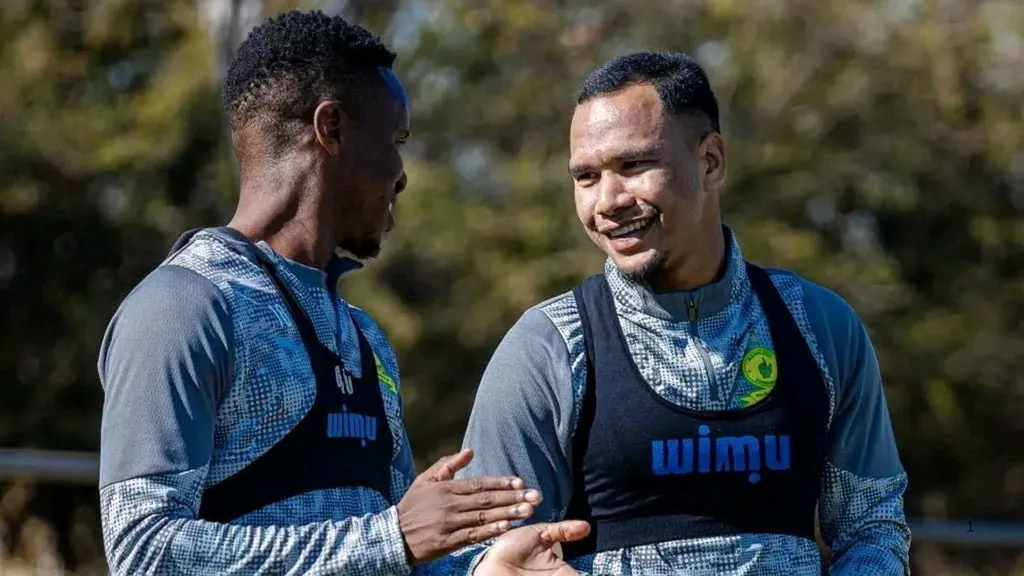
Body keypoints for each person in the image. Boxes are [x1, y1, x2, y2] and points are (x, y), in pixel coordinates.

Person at [96, 10, 586, 575]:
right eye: (396, 139)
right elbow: (143, 553)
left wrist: (481, 570)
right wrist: (391, 538)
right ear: (331, 129)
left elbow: (392, 549)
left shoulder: (364, 337)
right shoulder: (184, 308)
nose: (402, 174)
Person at [458, 51, 912, 575]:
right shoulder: (545, 348)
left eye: (632, 165)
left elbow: (872, 527)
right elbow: (474, 556)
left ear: (711, 161)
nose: (606, 200)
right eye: (585, 176)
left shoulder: (821, 326)